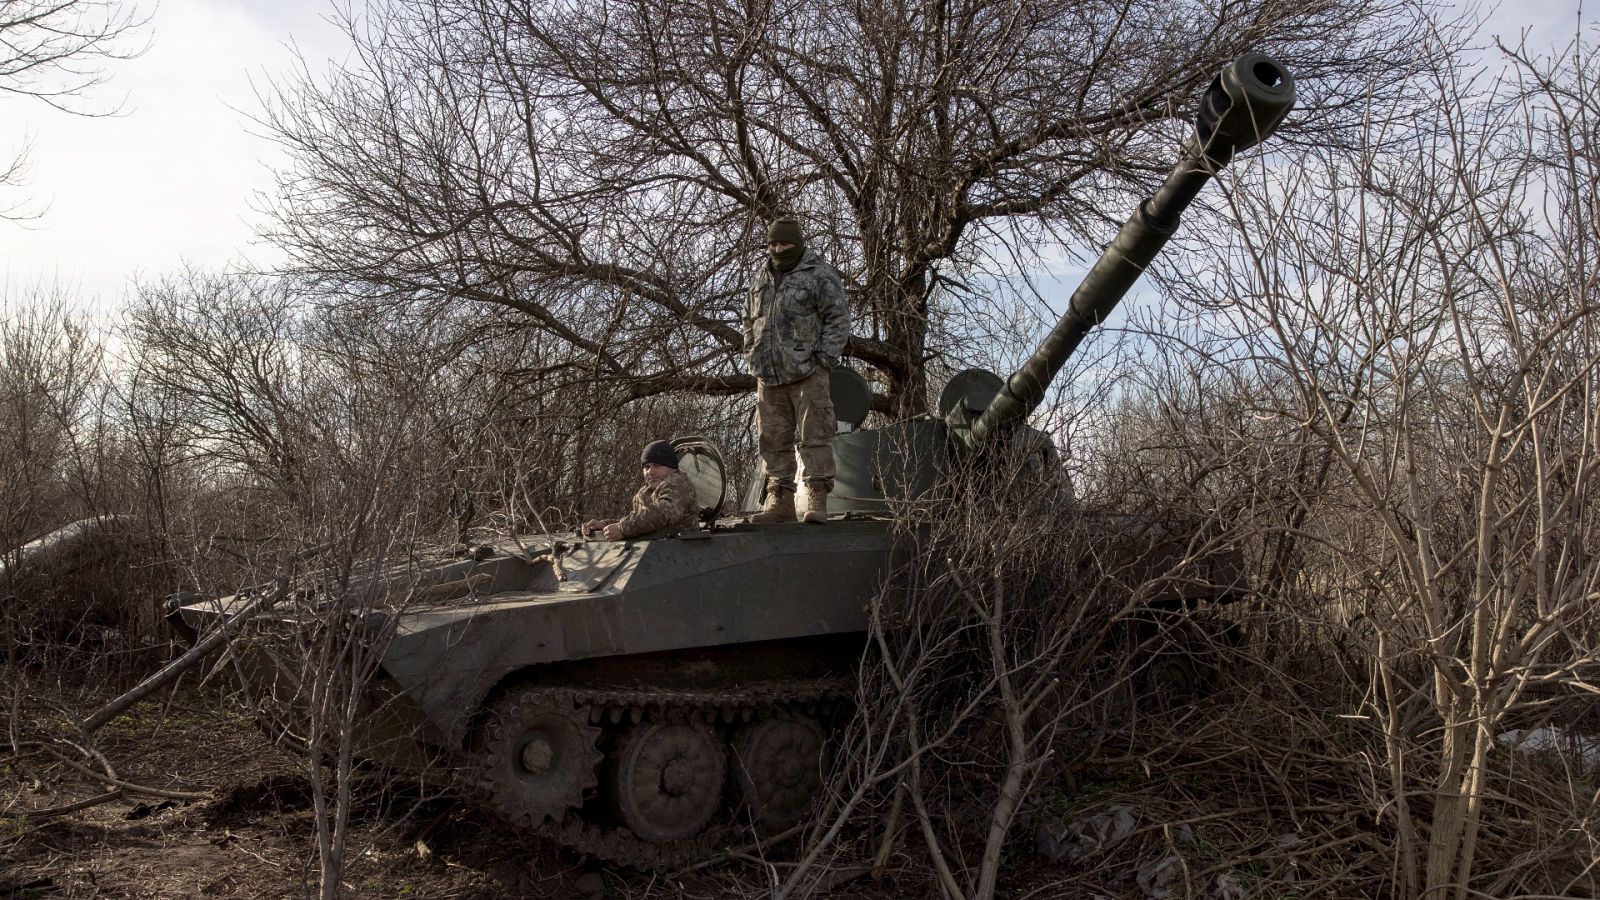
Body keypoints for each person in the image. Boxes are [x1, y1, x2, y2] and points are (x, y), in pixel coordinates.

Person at [743, 215, 850, 524]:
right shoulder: (760, 277)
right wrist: (752, 353)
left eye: (784, 243)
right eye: (773, 243)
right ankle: (780, 500)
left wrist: (824, 360)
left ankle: (816, 496)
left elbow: (838, 319)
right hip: (768, 374)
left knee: (815, 436)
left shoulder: (818, 275)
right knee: (772, 440)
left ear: (798, 243)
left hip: (807, 371)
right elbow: (749, 319)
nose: (778, 248)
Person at [583, 441, 700, 540]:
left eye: (657, 465)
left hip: (680, 553)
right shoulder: (646, 492)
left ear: (672, 468)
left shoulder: (679, 485)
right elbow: (640, 519)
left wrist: (622, 528)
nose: (650, 471)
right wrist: (606, 525)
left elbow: (661, 514)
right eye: (646, 467)